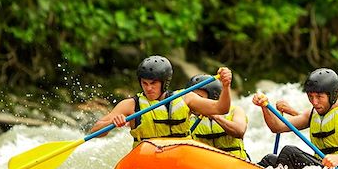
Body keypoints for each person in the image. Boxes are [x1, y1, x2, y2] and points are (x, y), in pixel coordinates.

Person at [90, 56, 233, 147]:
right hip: (147, 159)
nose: (148, 88)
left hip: (181, 156)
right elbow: (95, 131)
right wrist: (112, 122)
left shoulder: (186, 98)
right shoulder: (130, 105)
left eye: (153, 83)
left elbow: (221, 109)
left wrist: (226, 87)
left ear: (164, 83)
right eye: (144, 83)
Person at [187, 74, 249, 160]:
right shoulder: (188, 115)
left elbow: (239, 131)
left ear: (213, 97)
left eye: (199, 98)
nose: (195, 101)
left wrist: (215, 116)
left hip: (234, 163)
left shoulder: (235, 110)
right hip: (204, 164)